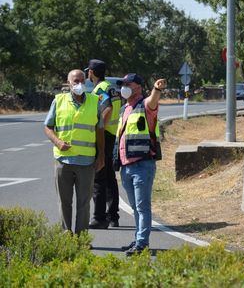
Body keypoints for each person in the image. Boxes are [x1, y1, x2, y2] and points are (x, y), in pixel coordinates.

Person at [44, 69, 104, 234]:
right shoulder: (58, 101)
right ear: (68, 82)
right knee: (64, 201)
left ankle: (81, 236)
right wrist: (57, 142)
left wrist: (101, 155)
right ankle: (66, 234)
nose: (79, 84)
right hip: (63, 160)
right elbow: (48, 127)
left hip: (87, 161)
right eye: (76, 81)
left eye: (82, 81)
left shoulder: (95, 101)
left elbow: (99, 130)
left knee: (84, 202)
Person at [114, 73, 166, 256]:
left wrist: (157, 89)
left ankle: (142, 243)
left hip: (142, 165)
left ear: (138, 87)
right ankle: (138, 239)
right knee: (136, 207)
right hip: (126, 166)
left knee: (143, 207)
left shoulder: (145, 105)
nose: (124, 87)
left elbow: (153, 101)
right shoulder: (124, 109)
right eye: (123, 84)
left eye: (128, 84)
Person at [86, 59, 122, 229]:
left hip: (104, 135)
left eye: (88, 71)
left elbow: (106, 110)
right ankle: (113, 216)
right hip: (112, 134)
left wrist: (99, 127)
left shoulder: (100, 89)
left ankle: (99, 218)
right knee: (109, 177)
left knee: (99, 177)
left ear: (91, 72)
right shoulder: (112, 87)